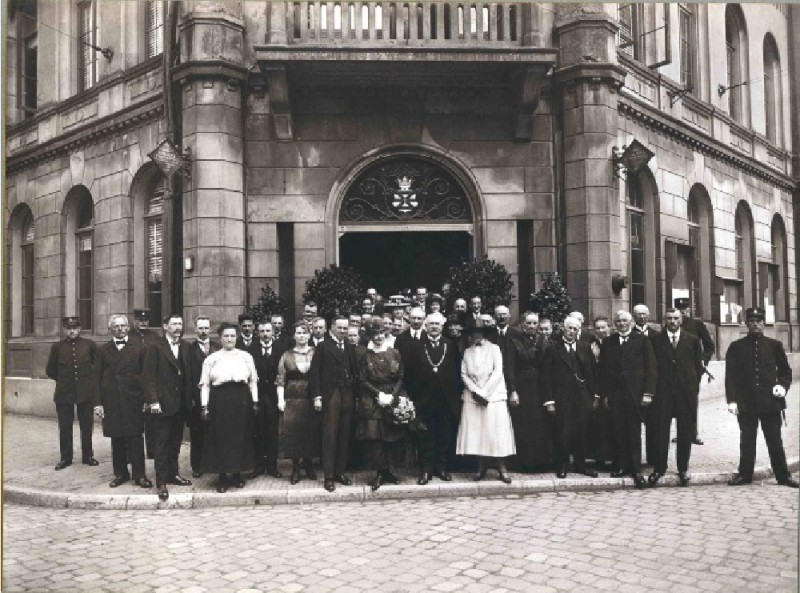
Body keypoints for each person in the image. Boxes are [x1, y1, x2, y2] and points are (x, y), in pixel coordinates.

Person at [726, 307, 797, 488]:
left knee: (774, 440)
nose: (755, 324)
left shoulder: (774, 345)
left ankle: (783, 476)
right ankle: (745, 475)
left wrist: (782, 386)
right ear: (746, 323)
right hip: (746, 403)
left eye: (759, 321)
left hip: (770, 402)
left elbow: (785, 372)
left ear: (764, 323)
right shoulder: (736, 347)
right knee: (747, 440)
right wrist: (732, 401)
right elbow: (731, 377)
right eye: (752, 321)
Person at [598, 310, 657, 489]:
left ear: (631, 322)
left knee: (633, 431)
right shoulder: (609, 342)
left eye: (625, 320)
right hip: (616, 395)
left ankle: (636, 469)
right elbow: (604, 371)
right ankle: (621, 466)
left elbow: (651, 368)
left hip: (635, 394)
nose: (622, 323)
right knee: (618, 430)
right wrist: (605, 395)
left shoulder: (642, 340)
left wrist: (648, 393)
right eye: (618, 321)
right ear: (614, 324)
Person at [199, 323, 259, 493]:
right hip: (220, 399)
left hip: (241, 398)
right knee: (222, 437)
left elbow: (253, 381)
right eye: (226, 336)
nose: (230, 339)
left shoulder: (245, 356)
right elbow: (205, 384)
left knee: (239, 436)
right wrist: (204, 406)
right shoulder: (211, 358)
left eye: (232, 336)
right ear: (220, 338)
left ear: (237, 337)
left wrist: (255, 402)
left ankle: (237, 473)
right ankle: (223, 476)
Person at [94, 314, 152, 489]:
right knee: (117, 438)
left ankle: (139, 475)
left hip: (133, 400)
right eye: (116, 326)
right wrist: (98, 403)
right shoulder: (103, 350)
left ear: (128, 327)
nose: (120, 329)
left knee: (135, 438)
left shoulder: (139, 348)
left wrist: (147, 400)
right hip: (112, 401)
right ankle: (120, 473)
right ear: (110, 329)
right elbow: (95, 378)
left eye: (123, 326)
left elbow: (146, 376)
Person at [405, 312, 462, 485]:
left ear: (442, 327)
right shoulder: (416, 346)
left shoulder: (450, 345)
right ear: (426, 326)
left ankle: (441, 468)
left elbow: (456, 372)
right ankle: (426, 470)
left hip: (446, 400)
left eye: (438, 324)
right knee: (425, 436)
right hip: (424, 400)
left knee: (444, 434)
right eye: (431, 324)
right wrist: (414, 398)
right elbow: (410, 374)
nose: (434, 327)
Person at [456, 319, 515, 483]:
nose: (476, 335)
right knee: (477, 432)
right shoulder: (467, 352)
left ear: (484, 333)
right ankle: (480, 467)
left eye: (479, 332)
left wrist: (484, 392)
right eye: (473, 332)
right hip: (473, 397)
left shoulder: (495, 349)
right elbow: (463, 374)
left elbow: (498, 372)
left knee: (495, 432)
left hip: (493, 396)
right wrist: (475, 390)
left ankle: (502, 469)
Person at [649, 308, 703, 487]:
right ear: (664, 320)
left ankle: (683, 468)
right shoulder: (656, 340)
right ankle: (659, 468)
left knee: (685, 432)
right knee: (661, 432)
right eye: (669, 318)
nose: (672, 321)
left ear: (681, 320)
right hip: (663, 394)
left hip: (685, 394)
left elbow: (697, 367)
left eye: (676, 318)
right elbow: (652, 366)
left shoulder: (692, 340)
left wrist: (692, 388)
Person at [540, 316, 598, 478]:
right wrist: (549, 401)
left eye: (575, 329)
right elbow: (546, 376)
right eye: (569, 328)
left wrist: (594, 396)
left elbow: (592, 373)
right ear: (563, 329)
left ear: (578, 331)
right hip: (562, 397)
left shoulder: (585, 348)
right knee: (563, 431)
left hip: (582, 397)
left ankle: (581, 465)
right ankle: (562, 465)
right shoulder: (553, 348)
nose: (572, 331)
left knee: (582, 431)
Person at [143, 314, 192, 502]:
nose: (178, 327)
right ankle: (161, 481)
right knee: (161, 443)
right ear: (165, 327)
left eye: (180, 323)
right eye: (174, 324)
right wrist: (153, 401)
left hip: (180, 404)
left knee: (175, 442)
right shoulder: (155, 347)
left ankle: (174, 474)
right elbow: (148, 377)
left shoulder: (186, 346)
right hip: (162, 404)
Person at [356, 317, 406, 491]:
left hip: (392, 397)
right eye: (375, 334)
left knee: (391, 435)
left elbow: (401, 376)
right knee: (375, 437)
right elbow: (362, 379)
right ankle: (379, 472)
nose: (378, 337)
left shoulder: (394, 353)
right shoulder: (366, 356)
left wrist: (392, 395)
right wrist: (379, 394)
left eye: (381, 333)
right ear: (370, 337)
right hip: (373, 399)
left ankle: (390, 471)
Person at [309, 315, 358, 492]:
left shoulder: (350, 348)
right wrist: (317, 397)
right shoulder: (323, 347)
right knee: (330, 435)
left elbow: (354, 373)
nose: (343, 331)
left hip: (347, 394)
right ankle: (329, 476)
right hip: (331, 395)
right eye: (340, 328)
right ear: (332, 328)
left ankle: (340, 472)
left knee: (345, 434)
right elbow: (314, 373)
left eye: (346, 328)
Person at [46, 316, 99, 470]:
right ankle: (65, 458)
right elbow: (50, 370)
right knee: (65, 427)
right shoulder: (57, 347)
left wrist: (88, 383)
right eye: (69, 329)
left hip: (85, 392)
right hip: (64, 393)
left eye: (75, 328)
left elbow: (97, 368)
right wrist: (64, 380)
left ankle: (88, 456)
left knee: (87, 426)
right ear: (64, 330)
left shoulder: (89, 345)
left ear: (80, 328)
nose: (72, 331)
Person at [277, 322, 320, 484]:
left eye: (304, 332)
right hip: (292, 398)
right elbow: (280, 379)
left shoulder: (316, 353)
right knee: (293, 433)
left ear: (309, 335)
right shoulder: (286, 355)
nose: (301, 335)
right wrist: (281, 399)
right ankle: (295, 468)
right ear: (294, 336)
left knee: (310, 432)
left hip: (311, 397)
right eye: (298, 333)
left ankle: (308, 466)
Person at [507, 312, 551, 470]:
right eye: (529, 323)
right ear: (522, 324)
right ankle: (522, 463)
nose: (532, 326)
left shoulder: (543, 341)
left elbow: (548, 366)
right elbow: (510, 367)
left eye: (534, 323)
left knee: (539, 423)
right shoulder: (514, 341)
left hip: (539, 386)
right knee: (523, 423)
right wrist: (513, 390)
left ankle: (540, 462)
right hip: (522, 386)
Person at [674, 297, 715, 446]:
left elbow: (710, 346)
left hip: (693, 370)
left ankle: (693, 433)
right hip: (675, 370)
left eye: (685, 310)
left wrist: (704, 361)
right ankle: (681, 433)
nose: (683, 313)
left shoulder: (697, 324)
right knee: (678, 401)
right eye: (680, 310)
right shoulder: (671, 325)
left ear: (689, 310)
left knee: (691, 400)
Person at [184, 315, 220, 478]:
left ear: (210, 329)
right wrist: (191, 398)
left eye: (206, 328)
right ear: (195, 329)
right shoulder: (189, 350)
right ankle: (197, 466)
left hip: (216, 397)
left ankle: (213, 464)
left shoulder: (218, 347)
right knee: (197, 434)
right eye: (200, 328)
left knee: (215, 432)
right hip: (196, 398)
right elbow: (188, 375)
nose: (204, 331)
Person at [249, 320, 285, 479]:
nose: (265, 334)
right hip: (257, 396)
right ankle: (258, 465)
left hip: (273, 395)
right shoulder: (251, 350)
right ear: (258, 333)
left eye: (268, 331)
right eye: (262, 331)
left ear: (273, 332)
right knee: (258, 430)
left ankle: (272, 465)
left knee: (272, 430)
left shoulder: (281, 349)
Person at [632, 303, 660, 467]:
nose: (641, 317)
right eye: (638, 314)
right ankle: (635, 459)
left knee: (653, 425)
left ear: (648, 316)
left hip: (652, 386)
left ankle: (653, 458)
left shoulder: (657, 335)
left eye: (644, 314)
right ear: (633, 316)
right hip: (634, 386)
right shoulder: (629, 334)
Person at [130, 307, 159, 459]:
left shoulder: (154, 337)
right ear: (134, 321)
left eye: (146, 320)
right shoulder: (128, 337)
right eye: (140, 320)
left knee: (151, 420)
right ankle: (133, 452)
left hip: (150, 383)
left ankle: (152, 450)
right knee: (134, 420)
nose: (143, 323)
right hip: (133, 384)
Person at [587, 316, 616, 470]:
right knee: (598, 426)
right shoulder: (590, 345)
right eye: (597, 328)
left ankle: (613, 458)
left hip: (612, 389)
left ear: (609, 328)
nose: (601, 331)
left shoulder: (614, 343)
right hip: (595, 388)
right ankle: (599, 458)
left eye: (603, 327)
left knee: (613, 425)